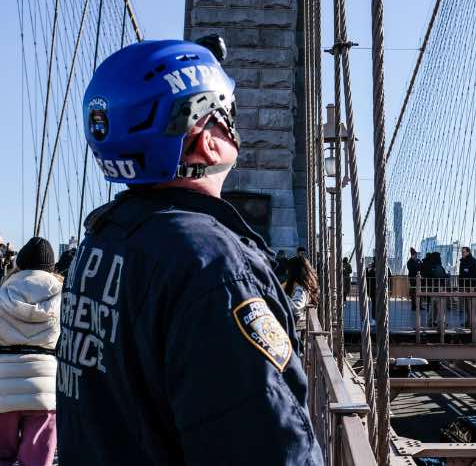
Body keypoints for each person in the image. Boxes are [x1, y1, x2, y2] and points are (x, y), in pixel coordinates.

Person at [56, 39, 322, 465]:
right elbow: (271, 447)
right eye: (227, 115)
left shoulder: (101, 243)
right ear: (207, 139)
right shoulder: (214, 269)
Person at [0, 237, 62, 466]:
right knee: (37, 461)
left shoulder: (3, 292)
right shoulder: (64, 297)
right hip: (45, 389)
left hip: (2, 386)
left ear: (21, 262)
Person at [283, 256, 318, 331]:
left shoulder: (300, 289)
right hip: (299, 326)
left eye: (288, 269)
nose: (286, 272)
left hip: (296, 328)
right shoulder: (306, 285)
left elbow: (296, 306)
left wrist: (283, 298)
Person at [459, 246, 476, 327]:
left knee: (471, 305)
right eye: (462, 252)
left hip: (471, 287)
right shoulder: (463, 261)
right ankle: (469, 321)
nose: (462, 253)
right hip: (465, 287)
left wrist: (468, 272)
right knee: (467, 306)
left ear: (468, 252)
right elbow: (461, 275)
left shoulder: (473, 261)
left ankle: (472, 322)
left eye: (463, 252)